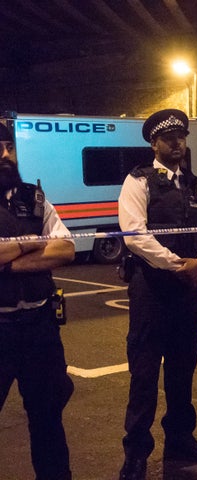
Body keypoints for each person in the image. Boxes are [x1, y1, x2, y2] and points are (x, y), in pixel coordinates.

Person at [118, 109, 197, 479]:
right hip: (152, 290)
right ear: (154, 143)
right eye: (169, 138)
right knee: (144, 374)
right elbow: (134, 234)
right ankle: (136, 453)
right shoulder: (138, 181)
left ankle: (180, 439)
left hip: (189, 290)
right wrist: (179, 263)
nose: (178, 143)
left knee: (183, 370)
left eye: (181, 136)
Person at [0, 122, 75, 480]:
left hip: (39, 326)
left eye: (9, 148)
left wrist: (9, 263)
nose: (5, 156)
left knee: (48, 419)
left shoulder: (34, 197)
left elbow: (65, 248)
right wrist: (34, 241)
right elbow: (48, 244)